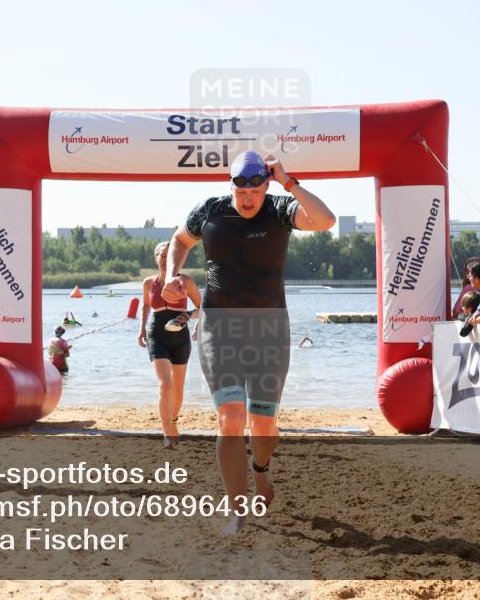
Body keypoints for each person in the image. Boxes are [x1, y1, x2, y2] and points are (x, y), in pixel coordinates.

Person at [161, 150, 335, 535]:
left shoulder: (280, 209)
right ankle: (237, 511)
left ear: (266, 184)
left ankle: (261, 470)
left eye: (254, 192)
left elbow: (326, 220)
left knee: (263, 425)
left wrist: (289, 182)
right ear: (231, 185)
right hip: (218, 327)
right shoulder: (209, 210)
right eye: (241, 193)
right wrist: (173, 273)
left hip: (269, 330)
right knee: (231, 417)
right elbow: (178, 239)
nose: (247, 200)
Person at [138, 241, 202, 448]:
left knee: (178, 388)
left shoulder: (186, 282)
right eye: (161, 255)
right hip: (157, 333)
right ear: (155, 258)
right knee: (165, 384)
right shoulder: (149, 283)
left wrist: (188, 315)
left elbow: (205, 309)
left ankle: (173, 422)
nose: (165, 259)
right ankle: (167, 434)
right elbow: (146, 307)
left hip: (179, 335)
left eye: (168, 255)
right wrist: (141, 331)